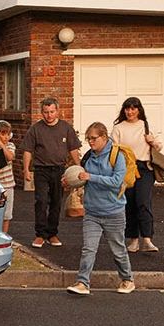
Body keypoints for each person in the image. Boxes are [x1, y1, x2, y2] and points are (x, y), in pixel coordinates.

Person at [65, 121, 135, 296]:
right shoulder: (89, 156)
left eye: (94, 138)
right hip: (92, 212)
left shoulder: (116, 155)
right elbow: (80, 176)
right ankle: (82, 282)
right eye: (88, 139)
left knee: (118, 250)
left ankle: (127, 279)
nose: (90, 142)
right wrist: (70, 180)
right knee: (89, 248)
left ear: (104, 137)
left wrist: (91, 177)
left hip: (114, 212)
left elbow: (116, 182)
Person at [19, 97, 81, 249]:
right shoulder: (36, 129)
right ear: (42, 112)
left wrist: (79, 167)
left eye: (52, 112)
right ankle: (40, 235)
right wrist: (26, 169)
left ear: (57, 111)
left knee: (56, 202)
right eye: (45, 112)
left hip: (60, 171)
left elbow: (73, 149)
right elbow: (28, 150)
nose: (49, 115)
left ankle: (52, 233)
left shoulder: (66, 128)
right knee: (41, 201)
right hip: (41, 170)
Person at [111, 97, 163, 253]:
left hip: (145, 168)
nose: (130, 112)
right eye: (127, 109)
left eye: (133, 108)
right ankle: (133, 240)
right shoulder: (118, 128)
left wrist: (152, 141)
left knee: (143, 202)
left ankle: (147, 239)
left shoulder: (145, 126)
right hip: (126, 168)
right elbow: (113, 149)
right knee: (129, 204)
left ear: (139, 110)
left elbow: (159, 147)